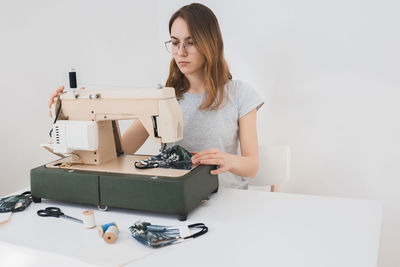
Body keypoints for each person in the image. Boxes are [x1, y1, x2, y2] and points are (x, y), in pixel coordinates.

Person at [48, 3, 263, 189]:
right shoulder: (163, 98)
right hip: (177, 197)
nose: (180, 52)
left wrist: (227, 160)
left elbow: (252, 166)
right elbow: (120, 152)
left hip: (228, 199)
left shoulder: (240, 94)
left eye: (190, 42)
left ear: (210, 43)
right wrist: (77, 109)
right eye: (175, 42)